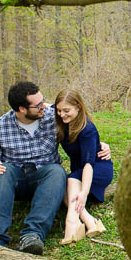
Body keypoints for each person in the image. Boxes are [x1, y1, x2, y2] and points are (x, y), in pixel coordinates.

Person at [0, 81, 66, 255]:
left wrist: (99, 145)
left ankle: (32, 235)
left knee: (57, 171)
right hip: (16, 180)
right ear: (22, 109)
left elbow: (82, 126)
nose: (44, 107)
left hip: (45, 178)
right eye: (38, 105)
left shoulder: (52, 117)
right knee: (1, 170)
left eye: (43, 101)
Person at [54, 89, 114, 245]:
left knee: (72, 180)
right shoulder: (62, 122)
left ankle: (72, 223)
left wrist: (84, 193)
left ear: (79, 107)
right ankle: (89, 221)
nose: (62, 114)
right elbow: (44, 106)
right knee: (62, 186)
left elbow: (88, 164)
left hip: (97, 168)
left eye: (66, 110)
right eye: (59, 110)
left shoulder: (87, 129)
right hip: (79, 170)